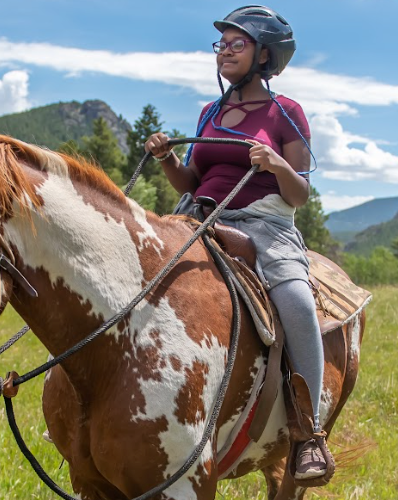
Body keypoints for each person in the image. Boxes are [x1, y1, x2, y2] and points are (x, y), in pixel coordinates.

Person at [144, 5, 328, 480]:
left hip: (264, 224)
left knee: (296, 301)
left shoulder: (285, 112)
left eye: (236, 43)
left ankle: (308, 433)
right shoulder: (210, 112)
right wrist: (166, 159)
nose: (224, 50)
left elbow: (300, 193)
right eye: (221, 43)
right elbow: (189, 180)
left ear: (264, 54)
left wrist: (275, 164)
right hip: (197, 216)